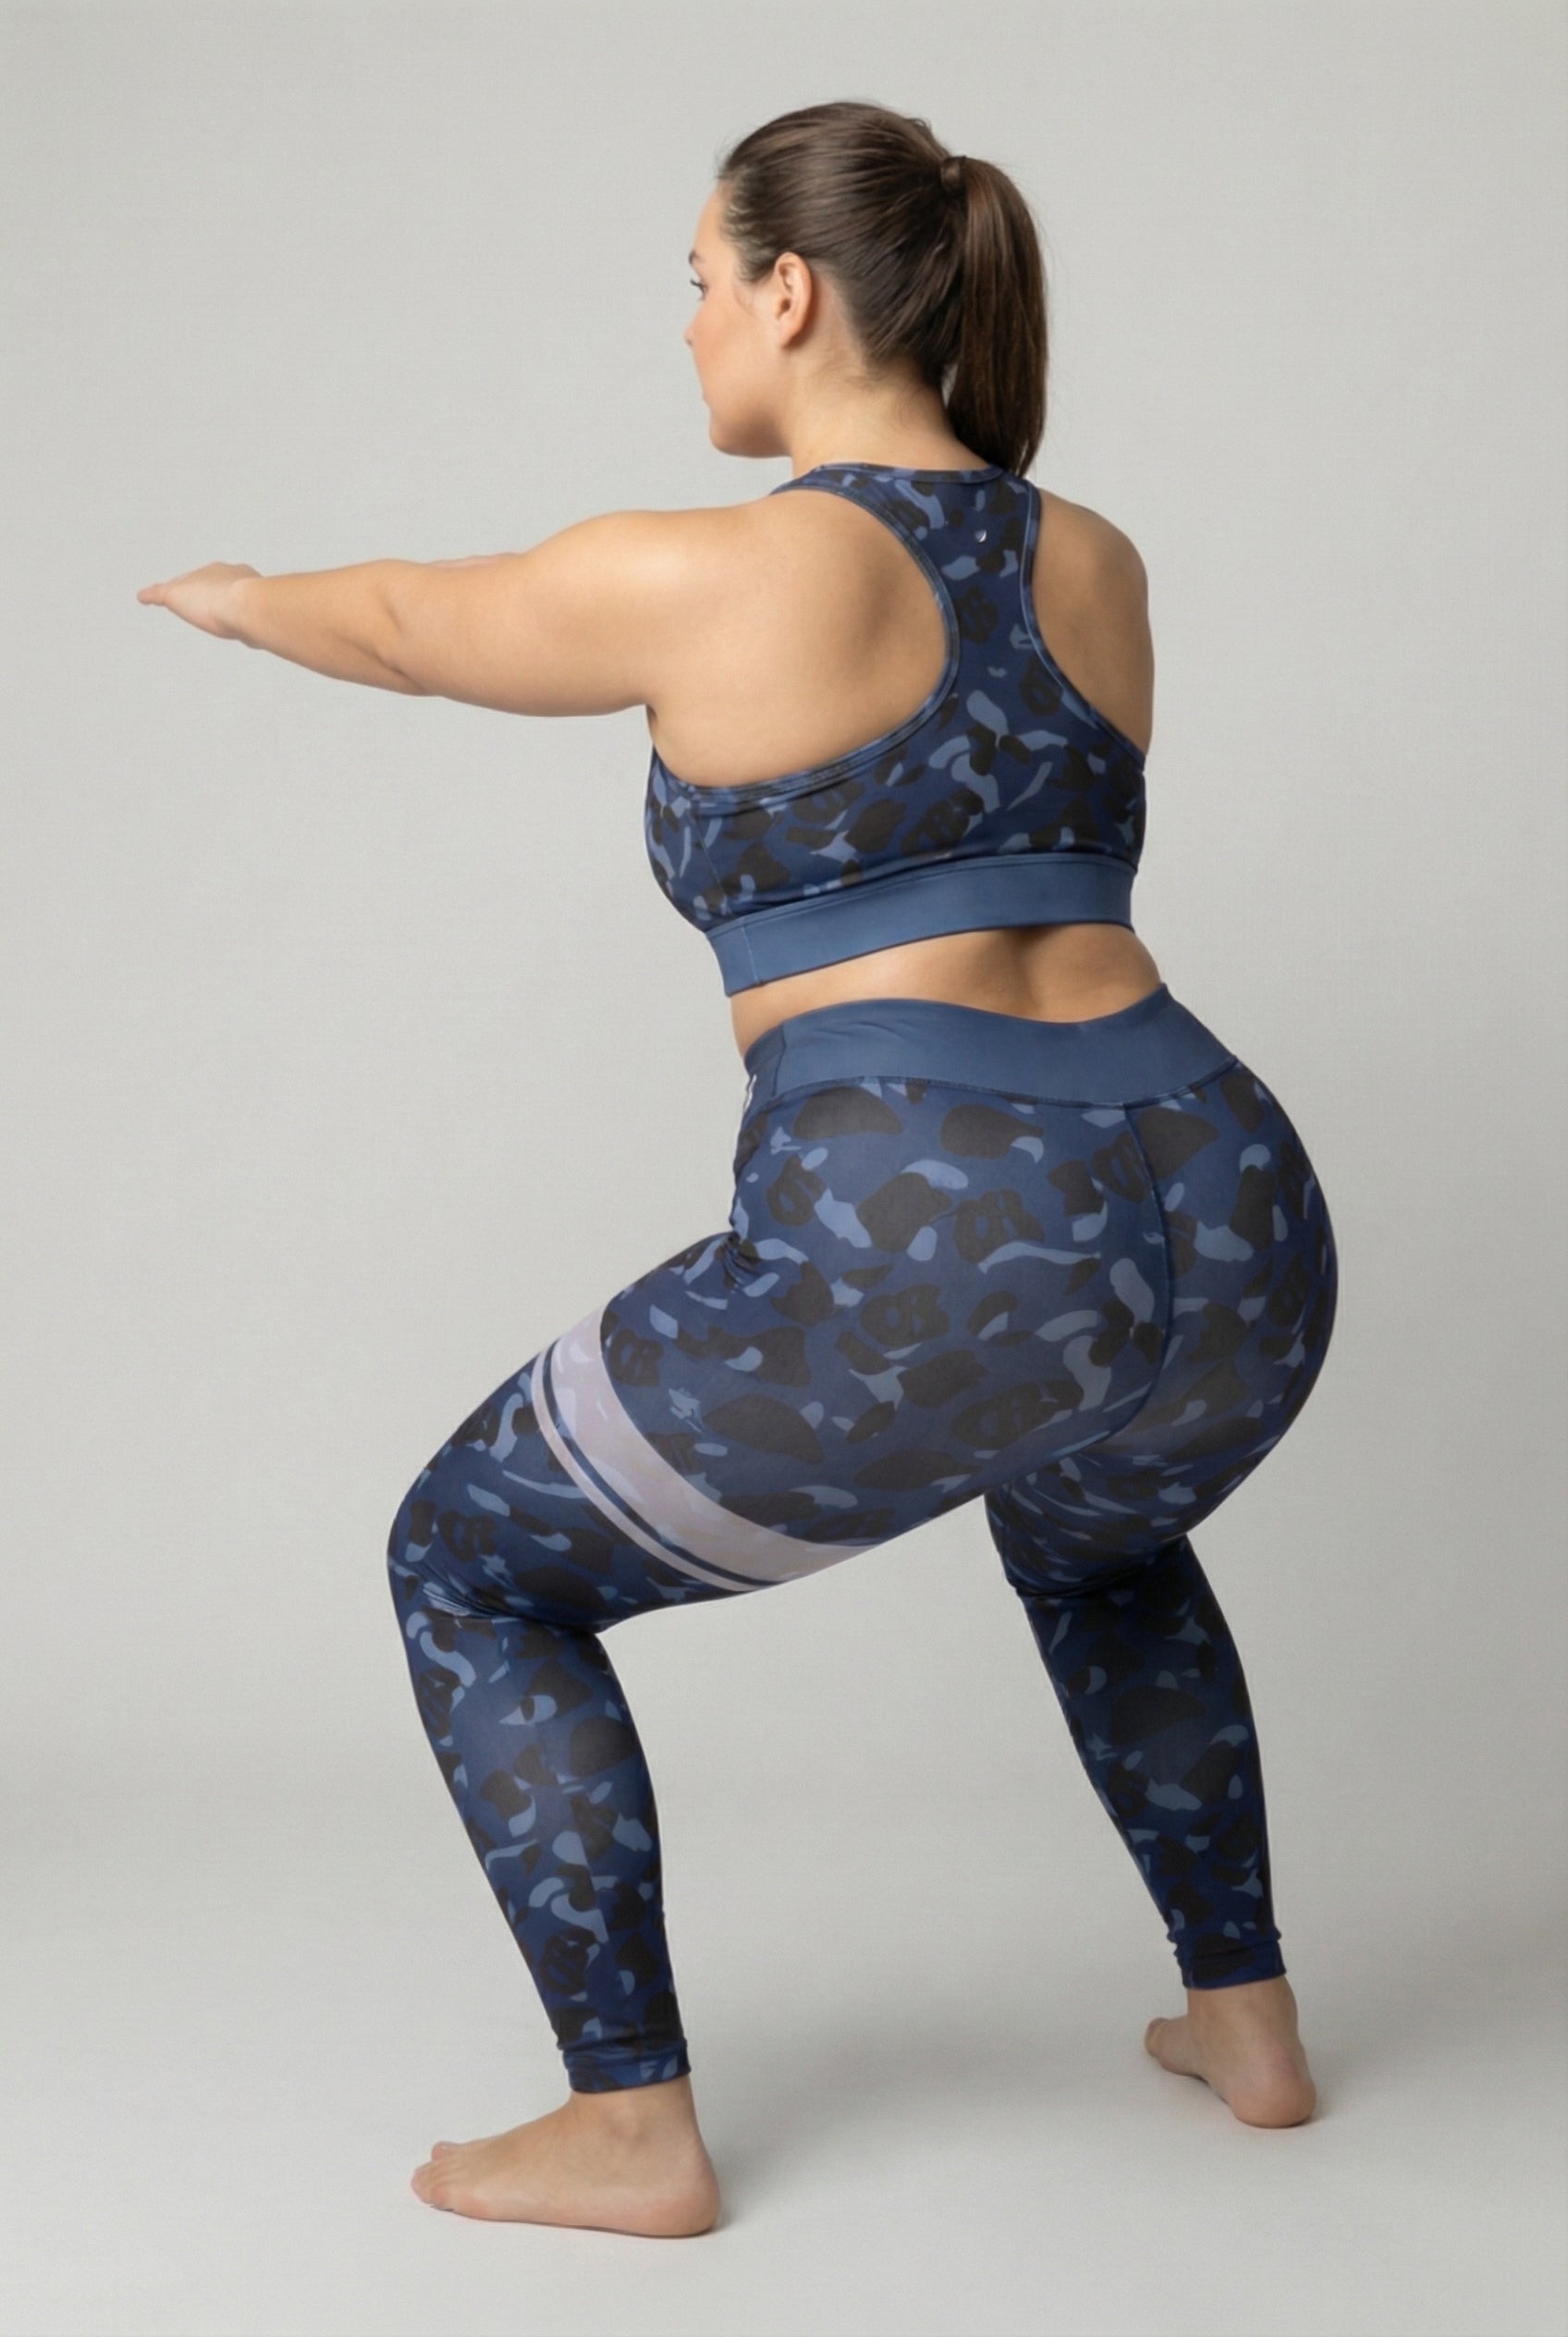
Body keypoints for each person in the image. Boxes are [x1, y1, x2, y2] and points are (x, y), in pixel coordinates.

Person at [138, 99, 1339, 2239]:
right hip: (1232, 1202)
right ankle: (1244, 2025)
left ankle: (628, 2125)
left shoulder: (719, 564)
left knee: (467, 1564)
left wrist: (238, 601)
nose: (686, 322)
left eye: (699, 278)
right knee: (1093, 1544)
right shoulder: (1096, 559)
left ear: (789, 291)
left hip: (955, 1222)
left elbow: (416, 619)